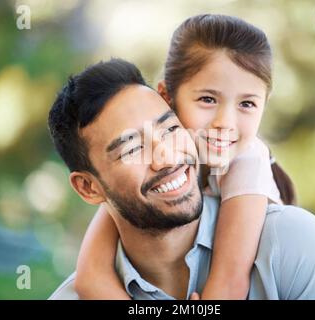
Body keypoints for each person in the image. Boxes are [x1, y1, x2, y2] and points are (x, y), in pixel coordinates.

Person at [47, 58, 315, 300]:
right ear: (89, 188)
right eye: (132, 148)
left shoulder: (291, 244)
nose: (166, 157)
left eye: (169, 129)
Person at [75, 14, 296, 300]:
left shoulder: (248, 161)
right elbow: (92, 279)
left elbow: (228, 286)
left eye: (247, 104)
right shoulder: (153, 170)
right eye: (208, 99)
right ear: (166, 96)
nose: (225, 122)